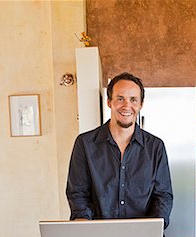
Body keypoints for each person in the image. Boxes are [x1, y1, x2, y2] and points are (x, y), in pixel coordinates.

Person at [66, 72, 173, 228]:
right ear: (109, 102)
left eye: (133, 100)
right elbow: (78, 192)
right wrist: (82, 222)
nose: (126, 106)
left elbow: (163, 196)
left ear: (141, 104)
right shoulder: (84, 143)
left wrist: (154, 227)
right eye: (120, 98)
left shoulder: (155, 146)